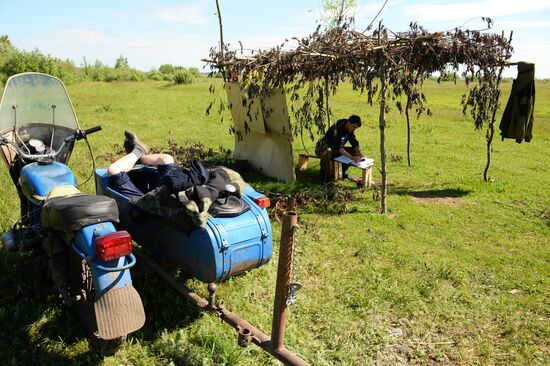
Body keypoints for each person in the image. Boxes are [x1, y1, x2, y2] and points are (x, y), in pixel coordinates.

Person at [315, 114, 364, 184]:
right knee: (327, 152)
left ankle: (342, 173)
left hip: (335, 149)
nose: (354, 129)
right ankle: (324, 178)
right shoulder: (337, 128)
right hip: (322, 148)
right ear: (349, 122)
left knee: (354, 152)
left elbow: (354, 142)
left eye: (355, 128)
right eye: (353, 127)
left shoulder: (349, 130)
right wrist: (351, 157)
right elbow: (338, 148)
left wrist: (359, 153)